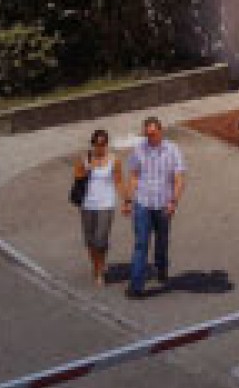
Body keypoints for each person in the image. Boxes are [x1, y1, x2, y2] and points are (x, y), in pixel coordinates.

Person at [122, 115, 187, 297]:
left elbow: (179, 178)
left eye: (153, 133)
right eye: (147, 134)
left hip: (163, 204)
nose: (150, 137)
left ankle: (161, 268)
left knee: (161, 241)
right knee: (141, 244)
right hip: (143, 203)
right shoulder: (138, 150)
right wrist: (127, 200)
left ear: (160, 131)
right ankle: (136, 286)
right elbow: (134, 177)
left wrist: (174, 201)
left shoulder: (173, 150)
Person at [72, 127, 120, 288]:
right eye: (97, 144)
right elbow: (77, 178)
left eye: (103, 144)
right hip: (87, 204)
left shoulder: (114, 160)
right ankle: (96, 266)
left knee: (101, 239)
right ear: (92, 144)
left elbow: (118, 180)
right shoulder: (84, 160)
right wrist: (87, 169)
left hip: (106, 204)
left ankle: (100, 272)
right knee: (90, 240)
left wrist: (127, 199)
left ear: (107, 144)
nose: (100, 147)